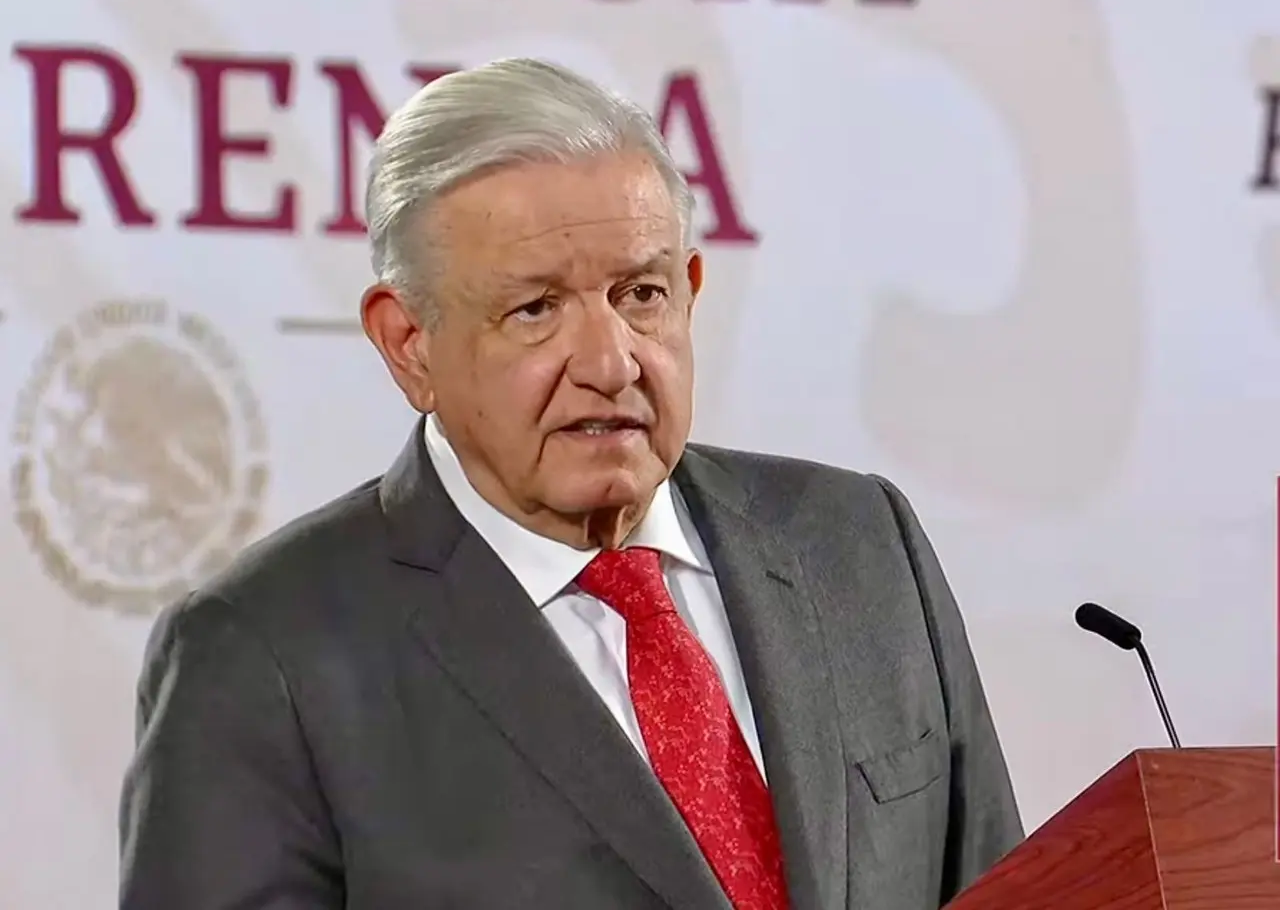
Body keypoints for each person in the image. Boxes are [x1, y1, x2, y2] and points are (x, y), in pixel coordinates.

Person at [118, 57, 1023, 910]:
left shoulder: (859, 546)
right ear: (410, 344)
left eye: (641, 295)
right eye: (535, 308)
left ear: (691, 290)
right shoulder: (266, 656)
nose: (609, 362)